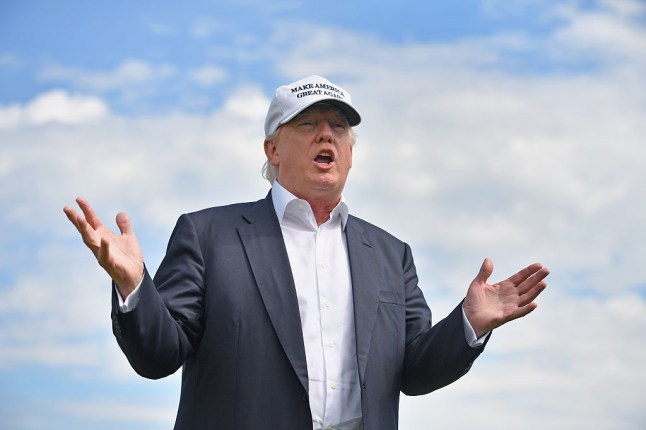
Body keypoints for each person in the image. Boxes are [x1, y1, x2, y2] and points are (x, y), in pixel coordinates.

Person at [64, 75, 549, 430]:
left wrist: (469, 323)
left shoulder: (389, 254)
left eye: (338, 127)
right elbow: (158, 355)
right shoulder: (208, 234)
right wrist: (133, 285)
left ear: (350, 153)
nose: (326, 135)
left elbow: (415, 371)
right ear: (272, 150)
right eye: (308, 123)